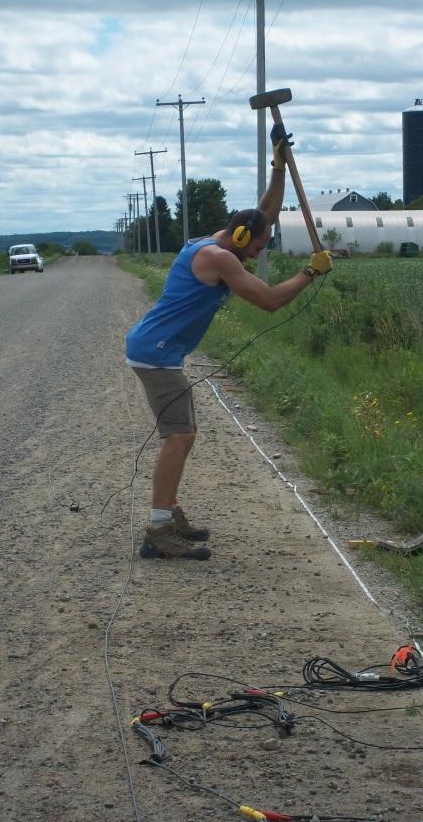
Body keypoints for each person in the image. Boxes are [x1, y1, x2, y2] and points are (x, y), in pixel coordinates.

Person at [125, 125, 332, 561]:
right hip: (156, 354)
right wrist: (309, 272)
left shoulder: (225, 239)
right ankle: (159, 530)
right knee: (179, 436)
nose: (257, 253)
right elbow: (271, 301)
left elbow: (266, 213)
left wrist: (278, 168)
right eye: (257, 247)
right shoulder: (219, 258)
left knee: (185, 433)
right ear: (240, 240)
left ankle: (169, 513)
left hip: (158, 350)